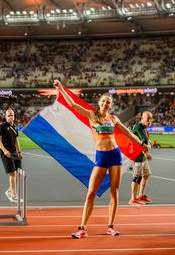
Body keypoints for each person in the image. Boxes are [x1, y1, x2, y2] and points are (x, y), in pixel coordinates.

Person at [53, 80, 148, 238]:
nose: (105, 103)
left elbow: (129, 134)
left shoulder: (114, 119)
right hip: (102, 157)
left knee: (114, 192)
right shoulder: (92, 115)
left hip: (115, 155)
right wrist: (61, 89)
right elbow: (73, 106)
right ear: (99, 102)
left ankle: (110, 226)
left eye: (108, 102)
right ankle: (82, 227)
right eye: (103, 101)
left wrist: (142, 144)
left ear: (110, 105)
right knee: (91, 193)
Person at [0, 109, 23, 203]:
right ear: (5, 116)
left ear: (14, 116)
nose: (10, 117)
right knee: (13, 174)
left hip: (14, 153)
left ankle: (9, 191)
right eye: (8, 115)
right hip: (6, 154)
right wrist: (4, 151)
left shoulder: (15, 127)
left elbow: (16, 140)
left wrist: (19, 152)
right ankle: (13, 195)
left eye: (11, 115)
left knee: (18, 174)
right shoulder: (2, 126)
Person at [130, 111, 153, 205]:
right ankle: (132, 199)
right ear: (143, 118)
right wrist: (146, 154)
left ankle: (141, 195)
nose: (150, 121)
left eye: (151, 119)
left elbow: (146, 141)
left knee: (147, 174)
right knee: (137, 178)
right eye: (148, 119)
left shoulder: (144, 128)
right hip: (137, 157)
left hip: (142, 157)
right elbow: (138, 143)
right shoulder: (138, 128)